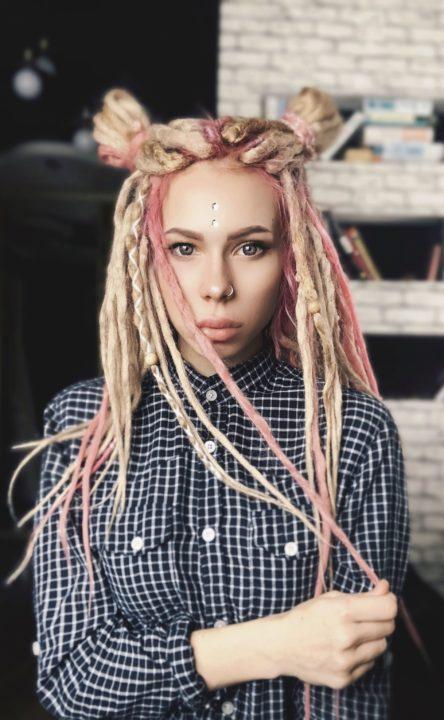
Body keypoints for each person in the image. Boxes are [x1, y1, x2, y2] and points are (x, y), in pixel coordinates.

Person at [5, 86, 409, 719]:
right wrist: (275, 644)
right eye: (184, 248)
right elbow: (71, 680)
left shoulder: (353, 431)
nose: (216, 286)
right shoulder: (85, 427)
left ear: (292, 257)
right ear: (146, 256)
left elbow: (353, 689)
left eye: (250, 247)